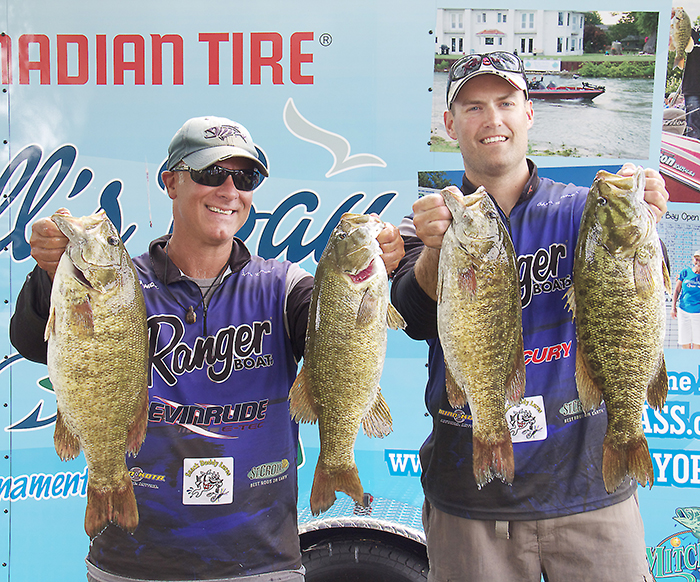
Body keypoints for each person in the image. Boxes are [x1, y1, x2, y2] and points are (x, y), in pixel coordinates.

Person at [9, 115, 404, 582]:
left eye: (246, 177)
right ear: (170, 182)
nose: (229, 190)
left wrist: (377, 269)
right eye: (211, 173)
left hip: (261, 563)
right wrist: (52, 275)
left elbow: (337, 337)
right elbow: (31, 341)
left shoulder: (283, 286)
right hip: (132, 564)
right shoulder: (117, 283)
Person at [390, 51, 669, 582]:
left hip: (592, 493)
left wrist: (647, 221)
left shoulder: (586, 209)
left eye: (506, 103)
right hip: (471, 502)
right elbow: (413, 316)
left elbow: (642, 297)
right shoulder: (425, 224)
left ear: (529, 113)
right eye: (473, 107)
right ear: (449, 124)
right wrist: (432, 250)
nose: (492, 120)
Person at [671, 250, 700, 348]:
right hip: (683, 311)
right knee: (684, 340)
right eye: (697, 259)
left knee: (698, 343)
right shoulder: (685, 272)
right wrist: (673, 308)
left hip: (699, 313)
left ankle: (695, 362)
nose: (698, 262)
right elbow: (677, 290)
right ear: (693, 260)